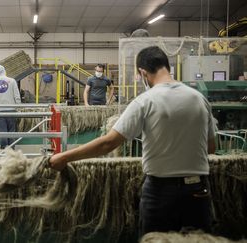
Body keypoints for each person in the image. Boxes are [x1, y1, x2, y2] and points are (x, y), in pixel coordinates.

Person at [50, 46, 216, 237]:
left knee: (156, 240)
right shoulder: (199, 99)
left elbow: (108, 143)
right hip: (198, 191)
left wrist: (64, 157)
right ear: (167, 67)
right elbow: (210, 148)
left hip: (161, 192)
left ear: (143, 72)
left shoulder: (145, 101)